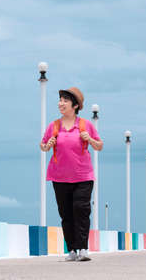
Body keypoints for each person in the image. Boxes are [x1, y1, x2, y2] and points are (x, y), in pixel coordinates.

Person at [40, 87, 103, 261]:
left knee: (81, 209)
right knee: (66, 213)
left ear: (75, 105)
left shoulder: (85, 125)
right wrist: (47, 144)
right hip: (59, 177)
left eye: (65, 101)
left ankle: (83, 248)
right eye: (60, 100)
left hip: (83, 176)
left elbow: (99, 145)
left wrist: (89, 139)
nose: (61, 103)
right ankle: (72, 250)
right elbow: (43, 146)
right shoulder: (54, 126)